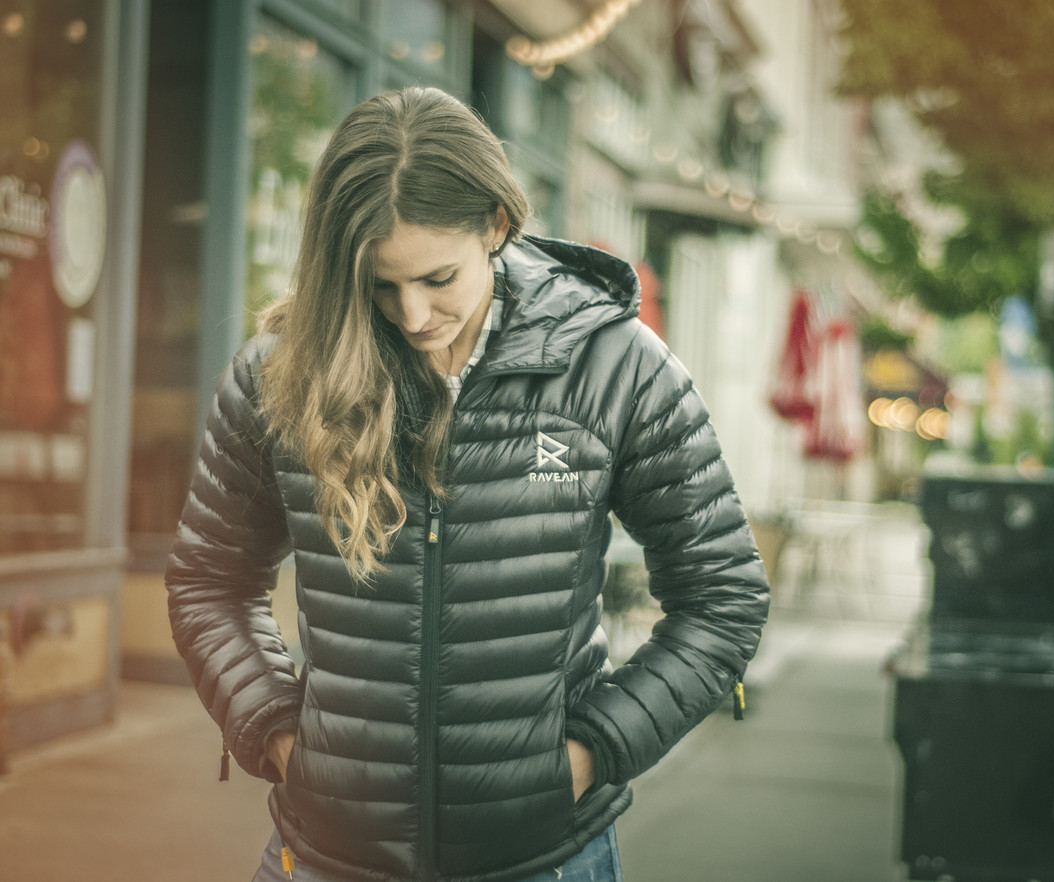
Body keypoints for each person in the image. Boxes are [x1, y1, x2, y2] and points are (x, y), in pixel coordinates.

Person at [165, 86, 770, 882]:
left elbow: (723, 596)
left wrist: (593, 751)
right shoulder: (281, 375)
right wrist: (276, 733)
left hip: (545, 858)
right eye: (380, 286)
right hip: (323, 857)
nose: (412, 315)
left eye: (438, 279)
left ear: (495, 223)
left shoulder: (615, 368)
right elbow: (209, 580)